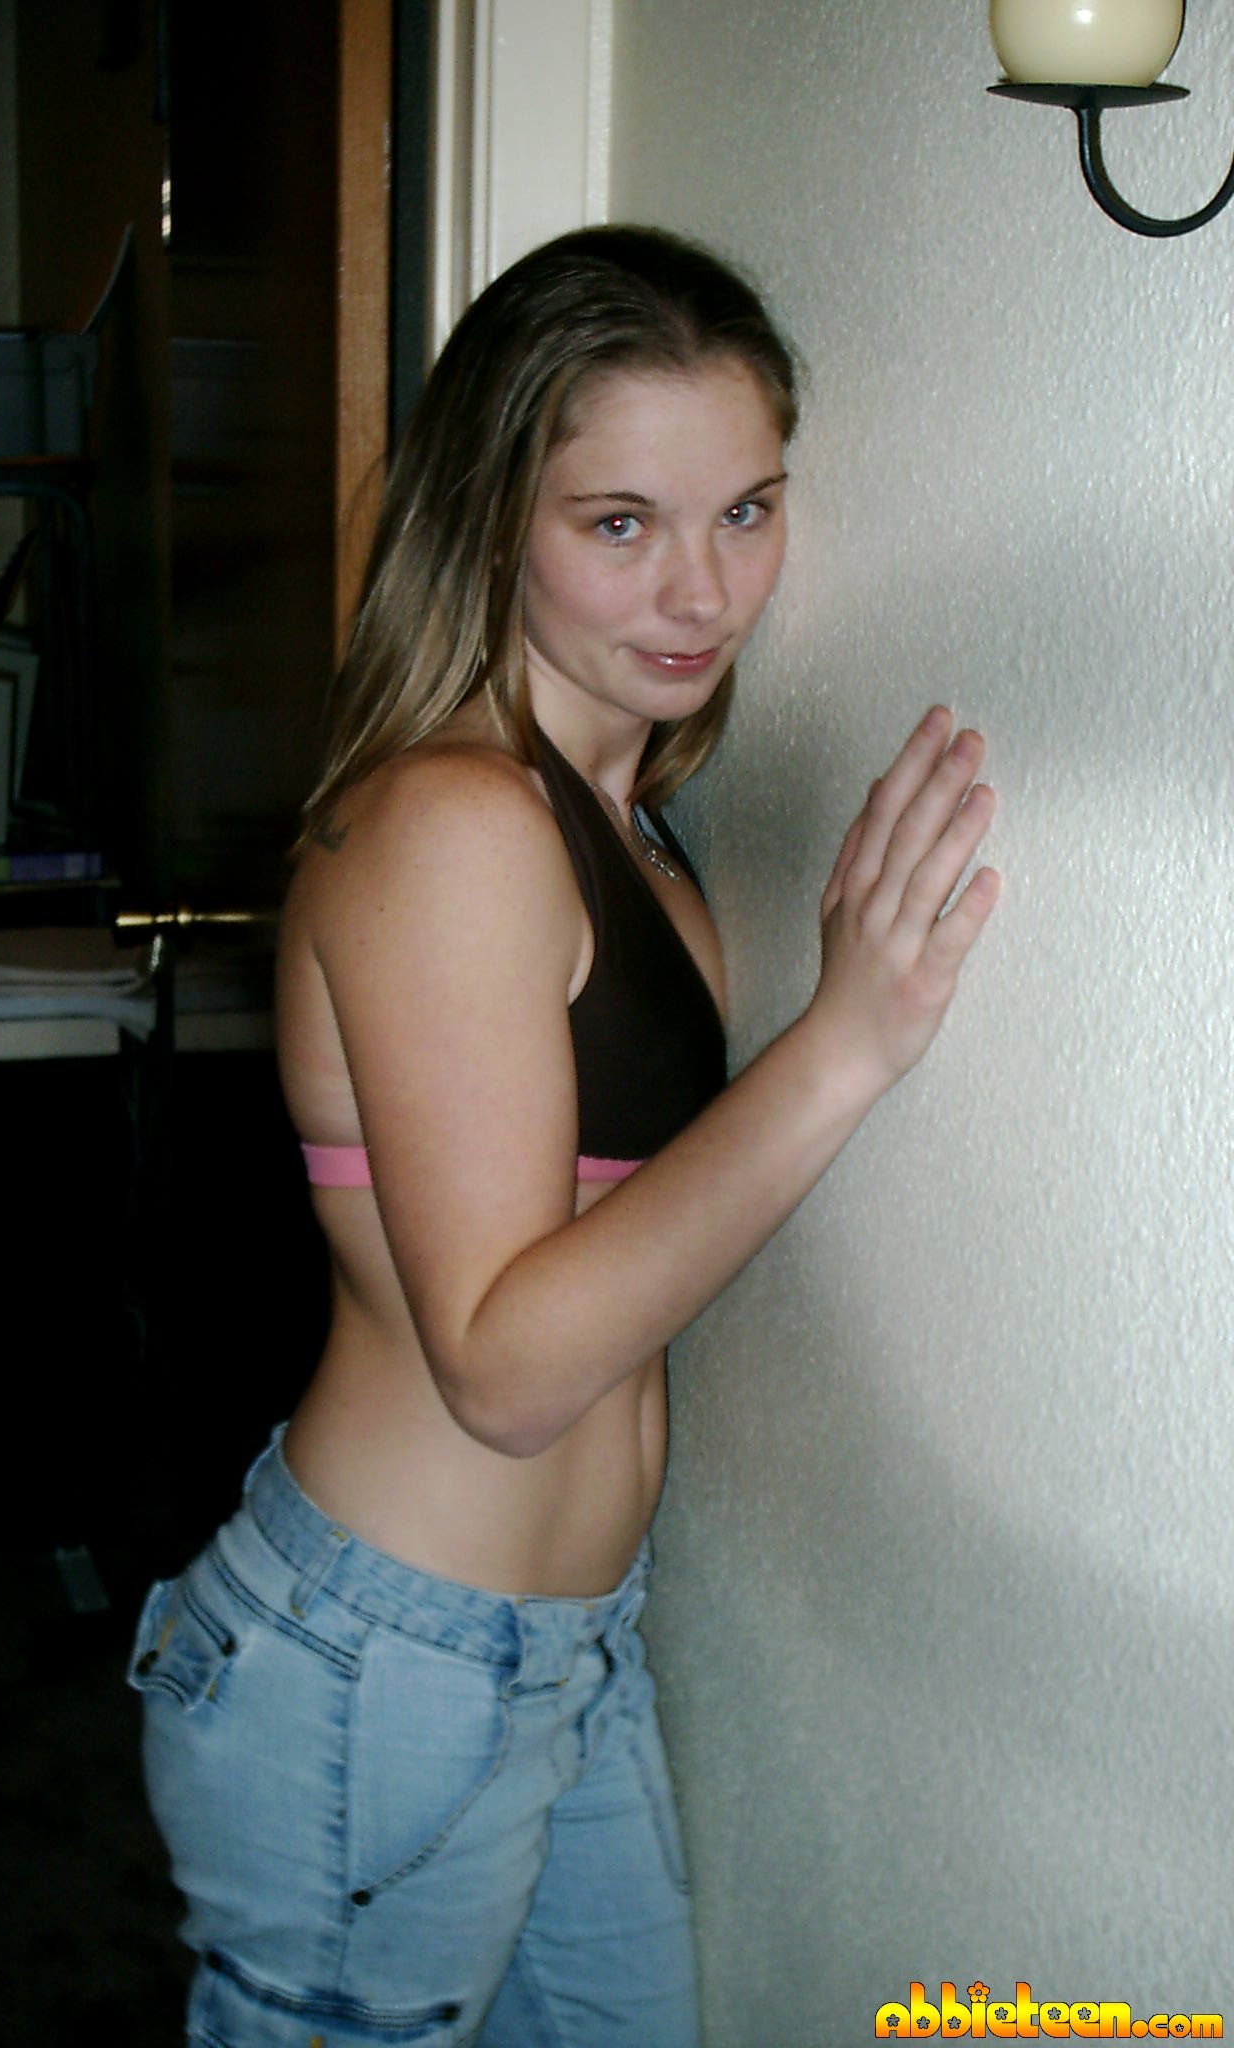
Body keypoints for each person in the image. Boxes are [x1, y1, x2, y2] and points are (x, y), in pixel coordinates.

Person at [129, 225, 999, 2048]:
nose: (702, 589)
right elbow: (508, 1367)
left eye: (745, 512)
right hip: (386, 1662)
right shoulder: (455, 825)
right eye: (620, 525)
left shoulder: (628, 820)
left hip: (554, 1646)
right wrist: (843, 1046)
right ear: (492, 518)